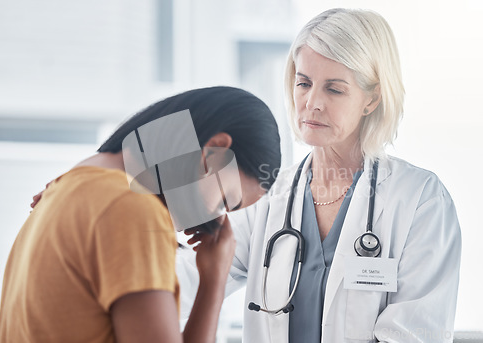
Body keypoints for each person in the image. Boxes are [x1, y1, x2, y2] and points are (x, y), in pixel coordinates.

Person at [177, 9, 461, 343]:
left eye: (334, 90)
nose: (312, 103)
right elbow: (181, 283)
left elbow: (415, 334)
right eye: (304, 84)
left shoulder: (420, 201)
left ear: (372, 99)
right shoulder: (267, 198)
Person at [0, 86, 281, 343]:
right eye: (224, 201)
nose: (213, 219)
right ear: (215, 150)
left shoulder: (73, 184)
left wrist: (212, 280)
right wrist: (215, 282)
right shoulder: (130, 208)